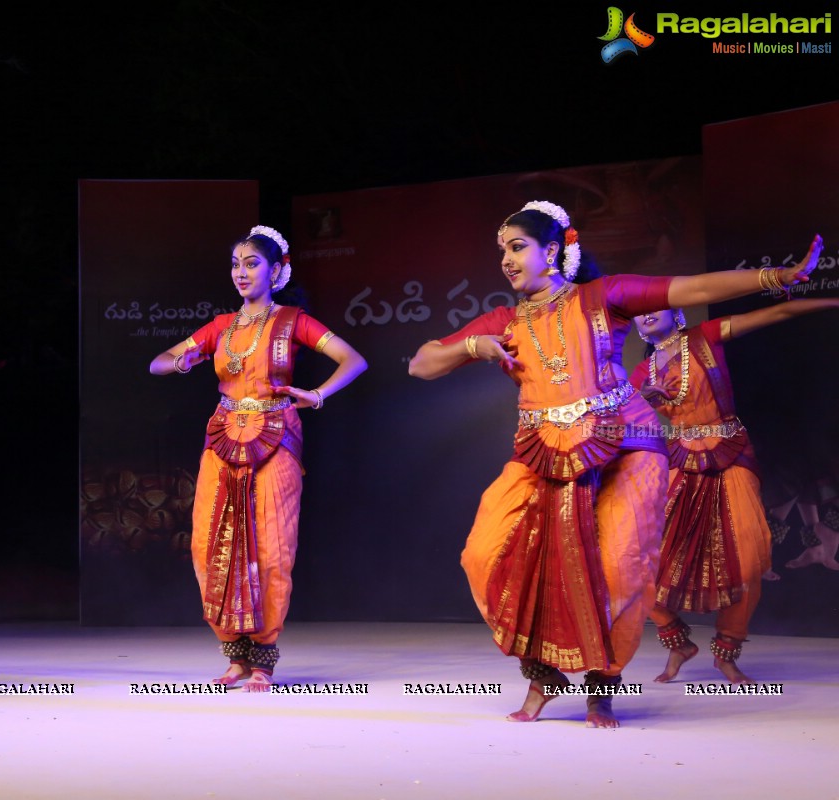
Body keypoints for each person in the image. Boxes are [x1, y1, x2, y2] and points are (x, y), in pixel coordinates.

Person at [408, 200, 821, 727]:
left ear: (552, 250)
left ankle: (601, 685)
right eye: (501, 252)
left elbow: (693, 290)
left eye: (517, 247)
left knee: (619, 565)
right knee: (485, 554)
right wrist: (475, 344)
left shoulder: (604, 296)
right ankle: (544, 673)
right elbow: (422, 365)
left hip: (628, 445)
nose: (506, 260)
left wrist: (776, 276)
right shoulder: (504, 321)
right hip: (542, 451)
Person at [150, 225, 366, 691]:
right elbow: (159, 361)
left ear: (277, 270)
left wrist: (317, 394)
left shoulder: (293, 321)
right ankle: (234, 654)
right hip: (223, 438)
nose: (241, 272)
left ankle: (263, 658)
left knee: (270, 548)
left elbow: (353, 360)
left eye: (252, 263)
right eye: (236, 264)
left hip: (276, 439)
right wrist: (182, 360)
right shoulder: (220, 327)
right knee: (209, 545)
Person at [631, 298, 839, 684]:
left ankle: (726, 652)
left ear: (676, 313)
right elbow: (621, 420)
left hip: (730, 456)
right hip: (680, 464)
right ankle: (678, 642)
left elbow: (773, 313)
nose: (646, 312)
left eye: (655, 307)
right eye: (640, 311)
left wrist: (829, 301)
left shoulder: (705, 338)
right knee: (640, 565)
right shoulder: (642, 373)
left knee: (746, 563)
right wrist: (644, 399)